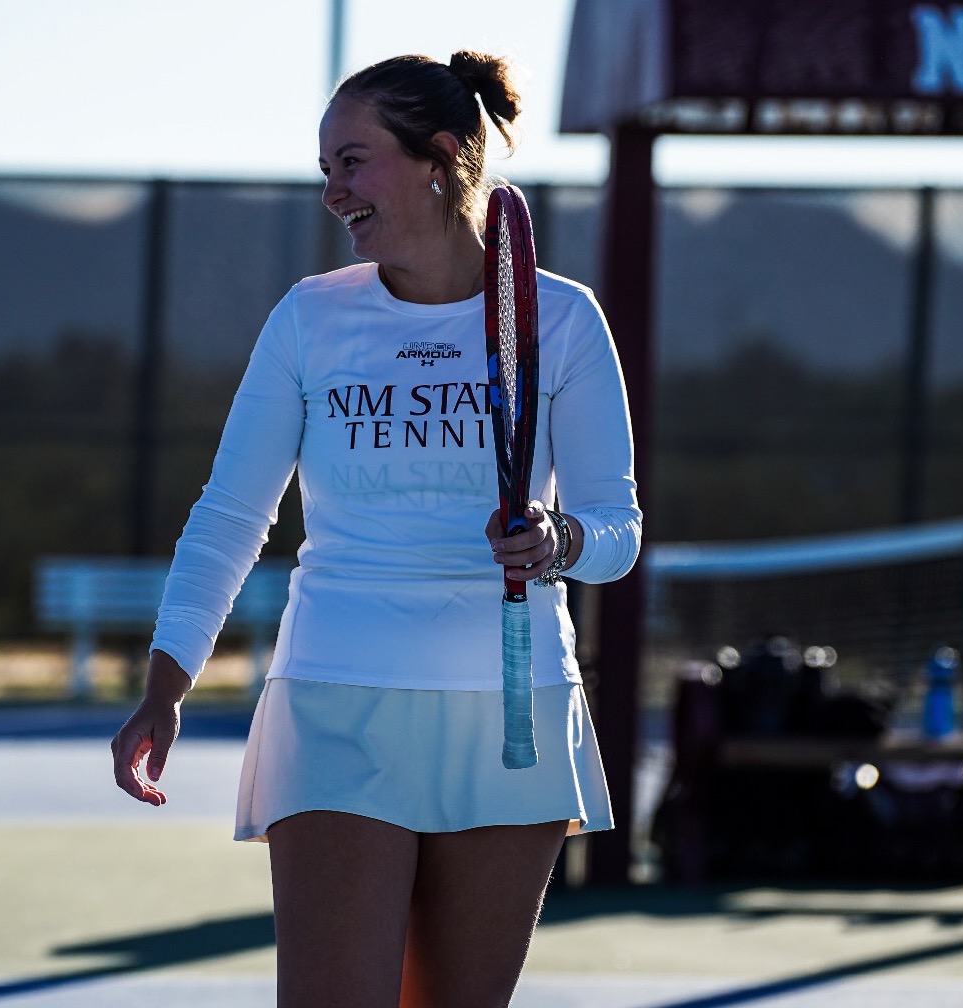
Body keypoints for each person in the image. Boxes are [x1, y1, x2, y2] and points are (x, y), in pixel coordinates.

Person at [111, 52, 640, 1007]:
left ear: (439, 157)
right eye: (325, 169)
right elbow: (231, 514)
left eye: (352, 163)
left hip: (509, 715)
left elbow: (618, 529)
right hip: (334, 706)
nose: (332, 192)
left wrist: (559, 541)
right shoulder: (311, 318)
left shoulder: (563, 321)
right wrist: (165, 681)